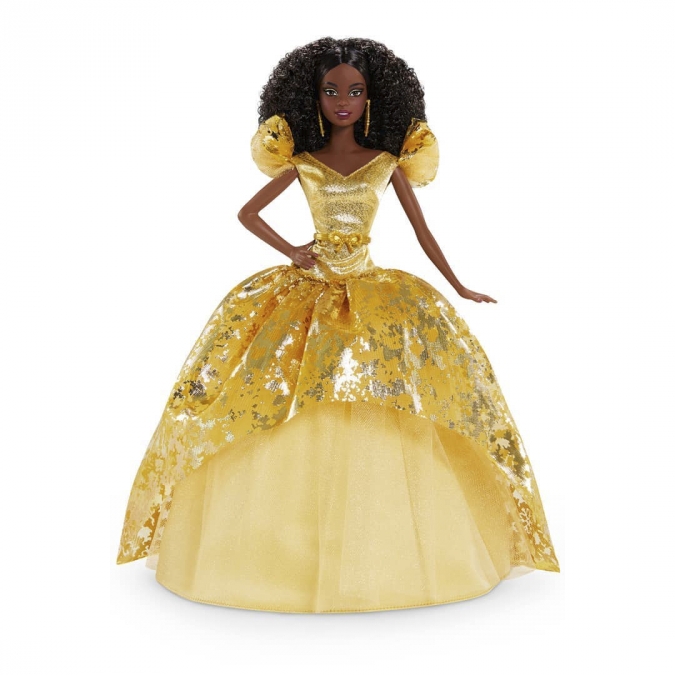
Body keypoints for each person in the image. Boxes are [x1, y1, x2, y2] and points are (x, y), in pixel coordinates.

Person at [116, 37, 560, 613]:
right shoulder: (304, 162)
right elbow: (248, 213)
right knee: (284, 396)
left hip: (372, 291)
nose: (343, 101)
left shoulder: (386, 163)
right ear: (314, 98)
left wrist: (458, 286)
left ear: (373, 98)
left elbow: (423, 233)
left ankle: (387, 546)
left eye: (354, 91)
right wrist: (292, 251)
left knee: (387, 396)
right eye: (331, 91)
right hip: (308, 288)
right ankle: (278, 549)